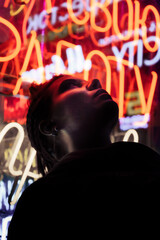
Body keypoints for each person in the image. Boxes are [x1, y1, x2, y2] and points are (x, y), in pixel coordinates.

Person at [8, 74, 160, 239]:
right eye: (71, 86)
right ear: (50, 125)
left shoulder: (40, 202)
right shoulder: (41, 204)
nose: (95, 82)